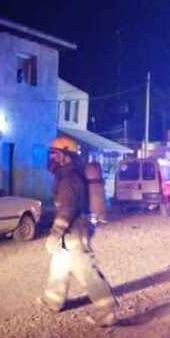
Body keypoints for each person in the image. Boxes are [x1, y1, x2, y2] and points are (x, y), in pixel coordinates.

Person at [39, 136, 120, 327]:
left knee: (86, 270)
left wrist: (55, 234)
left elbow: (67, 208)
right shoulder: (66, 174)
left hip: (75, 231)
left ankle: (107, 310)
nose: (52, 158)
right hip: (72, 230)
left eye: (55, 154)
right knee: (59, 265)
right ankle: (53, 301)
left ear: (66, 156)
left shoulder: (70, 178)